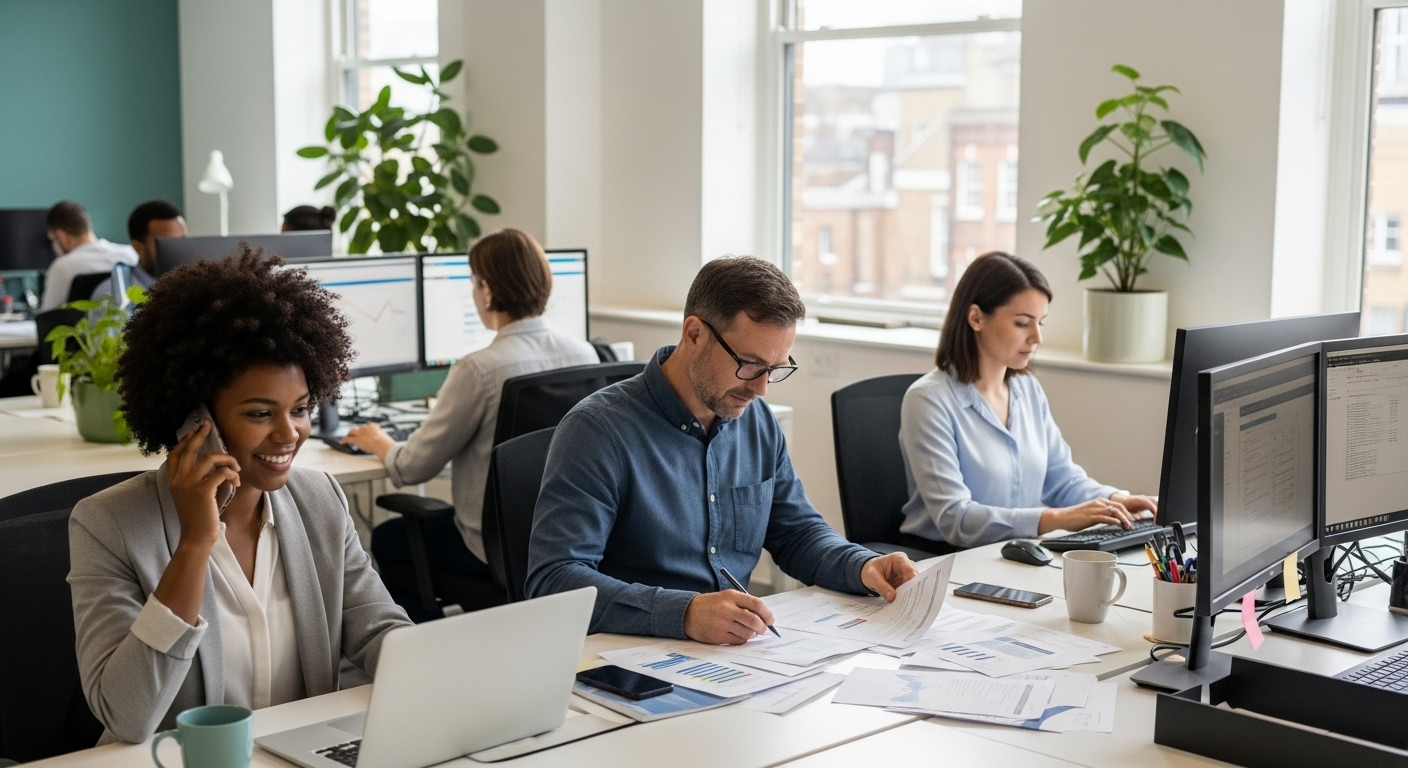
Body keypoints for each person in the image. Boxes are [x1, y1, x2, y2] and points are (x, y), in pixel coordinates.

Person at [68, 246, 412, 745]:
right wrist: (196, 543)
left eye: (300, 408)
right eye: (259, 413)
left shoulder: (319, 500)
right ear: (193, 419)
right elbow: (127, 716)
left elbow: (379, 632)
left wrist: (450, 672)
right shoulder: (109, 525)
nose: (289, 433)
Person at [526, 256, 918, 644]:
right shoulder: (597, 431)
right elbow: (554, 580)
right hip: (627, 655)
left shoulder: (757, 421)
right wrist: (684, 614)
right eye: (749, 364)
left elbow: (796, 533)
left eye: (775, 369)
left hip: (728, 656)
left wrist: (863, 565)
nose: (761, 389)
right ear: (694, 334)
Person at [340, 229, 598, 618]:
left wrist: (379, 441)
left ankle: (421, 657)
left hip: (489, 551)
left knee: (390, 539)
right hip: (564, 543)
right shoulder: (586, 354)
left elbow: (413, 467)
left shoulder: (479, 370)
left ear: (487, 289)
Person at [897, 251, 1158, 550]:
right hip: (946, 559)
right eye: (1022, 323)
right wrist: (1057, 519)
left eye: (1040, 323)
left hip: (1014, 552)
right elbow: (955, 518)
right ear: (976, 317)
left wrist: (1116, 500)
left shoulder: (1027, 389)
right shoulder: (928, 401)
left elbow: (1062, 480)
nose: (1037, 338)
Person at [38, 200, 137, 311]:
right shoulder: (130, 254)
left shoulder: (62, 267)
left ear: (61, 235)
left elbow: (46, 318)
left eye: (53, 239)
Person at [89, 200, 187, 301]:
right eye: (167, 243)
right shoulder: (112, 294)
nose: (178, 249)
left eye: (183, 240)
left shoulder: (193, 287)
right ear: (138, 247)